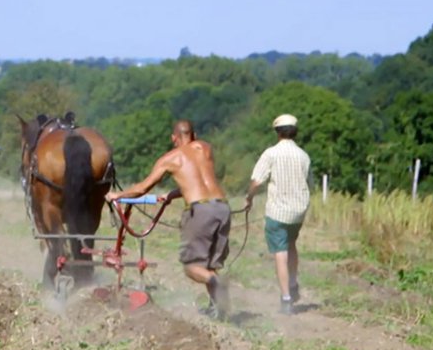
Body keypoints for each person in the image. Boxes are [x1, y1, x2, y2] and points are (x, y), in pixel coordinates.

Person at [105, 120, 232, 320]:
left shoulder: (171, 158)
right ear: (194, 135)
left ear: (174, 138)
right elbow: (199, 179)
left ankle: (216, 283)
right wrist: (174, 194)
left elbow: (142, 188)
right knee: (210, 263)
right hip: (222, 207)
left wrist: (117, 195)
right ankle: (218, 310)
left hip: (200, 211)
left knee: (192, 267)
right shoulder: (205, 148)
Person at [244, 114, 311, 316]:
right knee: (291, 244)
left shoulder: (271, 154)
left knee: (280, 252)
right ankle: (292, 282)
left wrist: (249, 198)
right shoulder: (303, 155)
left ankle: (286, 298)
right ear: (295, 132)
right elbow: (310, 183)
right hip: (299, 211)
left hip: (278, 211)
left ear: (277, 132)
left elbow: (257, 181)